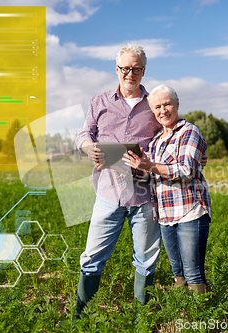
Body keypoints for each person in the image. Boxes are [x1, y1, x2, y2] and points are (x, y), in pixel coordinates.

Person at [74, 43, 163, 318]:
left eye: (136, 69)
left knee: (146, 261)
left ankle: (140, 319)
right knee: (91, 258)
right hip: (108, 192)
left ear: (143, 71)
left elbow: (170, 137)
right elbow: (83, 134)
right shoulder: (99, 102)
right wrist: (89, 148)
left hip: (144, 195)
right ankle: (80, 315)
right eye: (125, 68)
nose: (130, 73)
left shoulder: (154, 104)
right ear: (117, 69)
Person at [123, 84, 211, 294]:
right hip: (165, 214)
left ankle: (201, 316)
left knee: (193, 274)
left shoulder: (189, 131)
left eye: (167, 104)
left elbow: (186, 170)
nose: (163, 110)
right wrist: (125, 165)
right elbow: (148, 174)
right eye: (157, 107)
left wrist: (148, 165)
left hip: (190, 210)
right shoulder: (154, 142)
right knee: (178, 272)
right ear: (153, 112)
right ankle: (183, 315)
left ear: (177, 105)